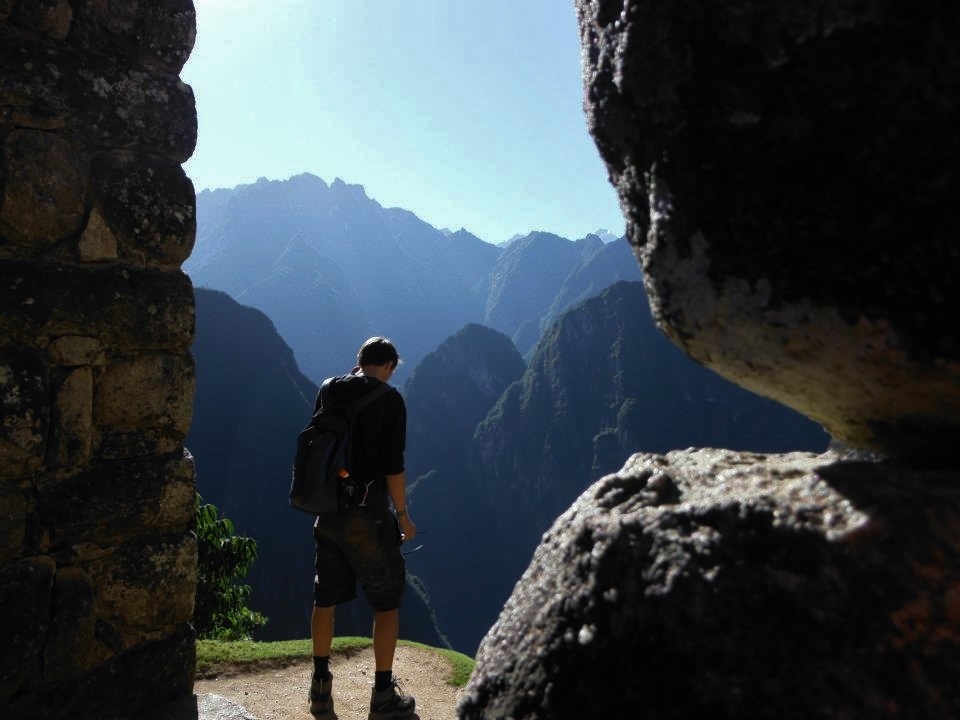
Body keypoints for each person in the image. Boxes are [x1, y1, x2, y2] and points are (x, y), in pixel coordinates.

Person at [308, 336, 418, 720]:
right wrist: (402, 515)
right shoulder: (390, 400)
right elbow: (393, 465)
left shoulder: (328, 390)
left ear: (359, 361)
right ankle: (383, 695)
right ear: (389, 365)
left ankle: (320, 687)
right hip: (367, 516)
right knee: (386, 605)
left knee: (325, 599)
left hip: (327, 512)